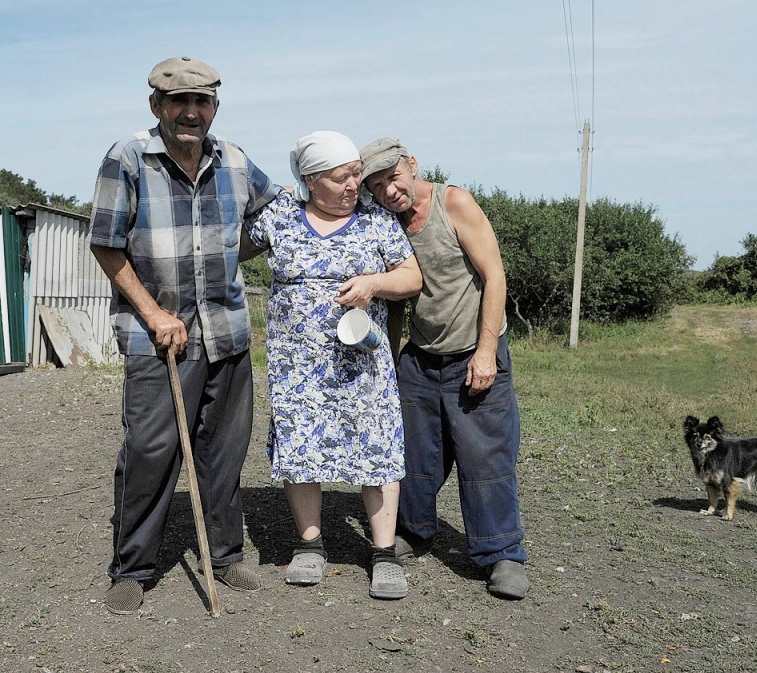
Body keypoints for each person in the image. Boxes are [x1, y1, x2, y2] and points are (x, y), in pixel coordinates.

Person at [88, 56, 280, 615]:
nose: (191, 112)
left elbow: (272, 220)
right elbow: (106, 242)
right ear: (157, 107)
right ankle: (134, 567)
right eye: (180, 102)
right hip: (160, 337)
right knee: (152, 449)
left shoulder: (237, 161)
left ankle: (224, 554)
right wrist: (154, 314)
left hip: (228, 333)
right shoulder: (127, 158)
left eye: (203, 102)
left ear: (215, 107)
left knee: (223, 451)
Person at [243, 131, 422, 600]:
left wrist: (372, 284)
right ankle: (310, 545)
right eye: (341, 178)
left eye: (356, 176)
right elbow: (230, 247)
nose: (353, 185)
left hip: (362, 366)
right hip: (297, 368)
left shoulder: (376, 221)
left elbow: (411, 276)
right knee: (301, 447)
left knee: (376, 446)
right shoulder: (280, 217)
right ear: (310, 180)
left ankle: (383, 555)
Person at [360, 137, 530, 599]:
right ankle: (414, 531)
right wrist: (392, 358)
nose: (388, 191)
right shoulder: (387, 224)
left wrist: (485, 351)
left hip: (473, 352)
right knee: (413, 453)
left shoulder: (454, 202)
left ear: (411, 166)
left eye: (392, 177)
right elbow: (396, 296)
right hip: (421, 356)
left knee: (485, 459)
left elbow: (494, 275)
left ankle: (502, 554)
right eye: (376, 186)